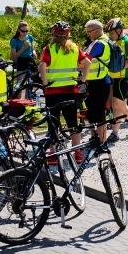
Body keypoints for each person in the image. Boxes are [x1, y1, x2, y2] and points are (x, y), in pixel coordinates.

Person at [38, 21, 90, 163]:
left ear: (53, 34)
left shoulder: (49, 48)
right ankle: (77, 152)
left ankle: (53, 154)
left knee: (53, 122)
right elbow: (88, 63)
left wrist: (45, 83)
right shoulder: (74, 48)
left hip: (52, 91)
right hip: (70, 90)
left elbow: (42, 65)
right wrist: (83, 80)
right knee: (73, 121)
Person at [105, 18, 128, 142]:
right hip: (115, 77)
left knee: (117, 105)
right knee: (120, 106)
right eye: (109, 33)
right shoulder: (113, 42)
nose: (110, 35)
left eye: (112, 33)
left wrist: (118, 67)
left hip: (124, 77)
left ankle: (115, 133)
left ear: (119, 30)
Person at [83, 20, 112, 144]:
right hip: (100, 80)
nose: (88, 34)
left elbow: (84, 59)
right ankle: (96, 138)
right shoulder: (107, 41)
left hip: (98, 81)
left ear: (97, 30)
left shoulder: (99, 43)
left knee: (99, 114)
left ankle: (102, 142)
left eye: (89, 32)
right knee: (94, 112)